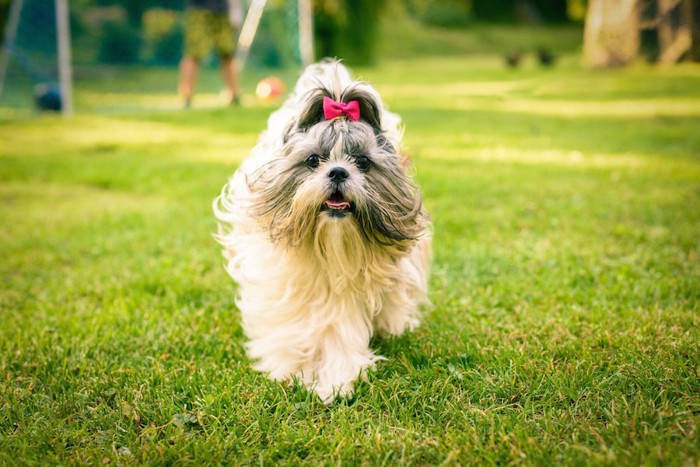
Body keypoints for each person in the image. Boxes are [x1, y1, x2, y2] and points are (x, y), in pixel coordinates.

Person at [179, 0, 241, 108]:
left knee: (228, 54)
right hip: (199, 10)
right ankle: (187, 98)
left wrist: (235, 9)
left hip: (222, 11)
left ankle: (234, 96)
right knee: (193, 55)